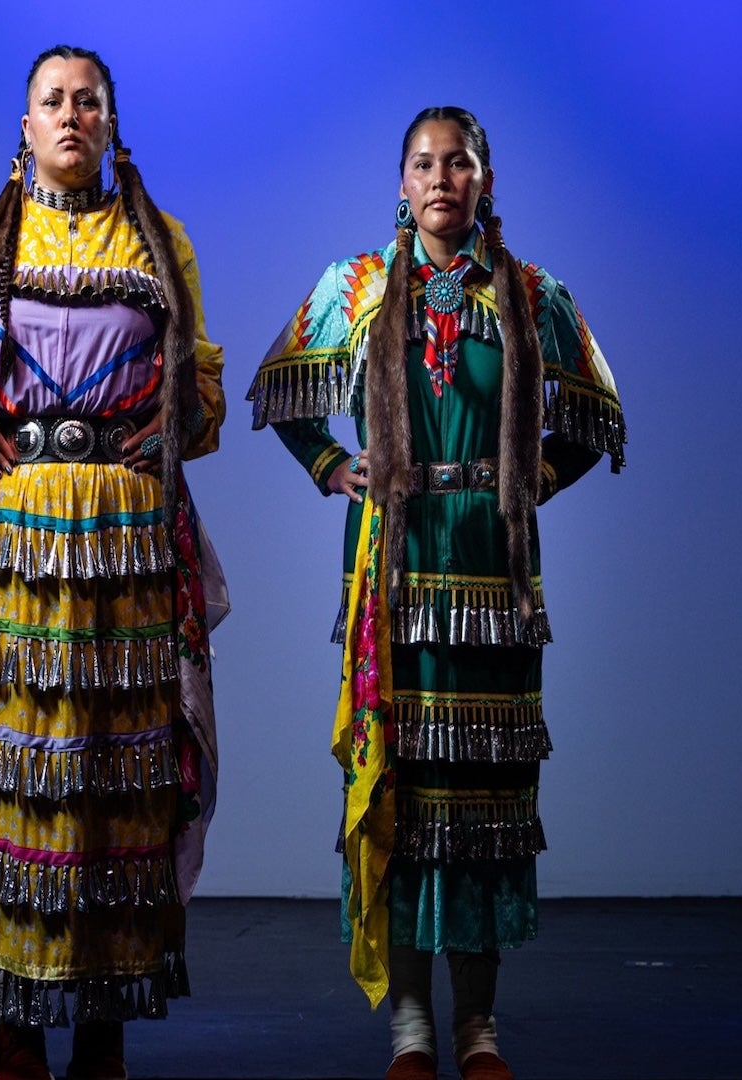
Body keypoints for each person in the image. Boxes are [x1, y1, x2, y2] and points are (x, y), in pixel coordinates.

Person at [249, 107, 625, 1080]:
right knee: (405, 800)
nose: (442, 177)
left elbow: (594, 415)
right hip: (395, 566)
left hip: (492, 573)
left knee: (484, 804)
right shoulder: (360, 287)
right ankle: (411, 1026)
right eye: (424, 163)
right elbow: (279, 388)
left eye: (459, 162)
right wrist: (335, 462)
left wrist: (531, 478)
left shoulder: (530, 294)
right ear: (402, 183)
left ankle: (479, 1028)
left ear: (485, 180)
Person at [0, 45, 226, 1080]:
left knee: (115, 773)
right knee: (17, 764)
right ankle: (15, 1023)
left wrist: (175, 419)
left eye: (90, 100)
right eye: (54, 101)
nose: (72, 115)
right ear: (26, 124)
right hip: (17, 529)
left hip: (127, 532)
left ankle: (102, 1026)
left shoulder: (158, 239)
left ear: (112, 121)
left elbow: (205, 386)